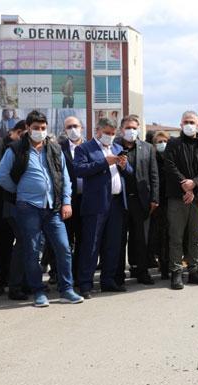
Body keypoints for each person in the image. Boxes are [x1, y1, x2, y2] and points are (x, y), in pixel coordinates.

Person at [0, 110, 83, 307]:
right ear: (28, 128)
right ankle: (38, 291)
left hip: (53, 208)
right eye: (36, 128)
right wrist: (19, 192)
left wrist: (66, 202)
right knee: (32, 251)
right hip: (28, 208)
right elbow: (1, 176)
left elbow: (65, 178)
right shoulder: (15, 149)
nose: (40, 132)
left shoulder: (54, 149)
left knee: (63, 248)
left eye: (43, 128)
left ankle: (66, 289)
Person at [73, 117, 132, 298]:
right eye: (107, 133)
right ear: (97, 131)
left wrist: (124, 165)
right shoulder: (84, 148)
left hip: (116, 203)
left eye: (113, 134)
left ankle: (108, 281)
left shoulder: (116, 148)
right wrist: (105, 162)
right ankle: (85, 284)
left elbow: (129, 172)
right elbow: (80, 170)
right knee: (91, 245)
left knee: (112, 244)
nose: (110, 136)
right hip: (96, 203)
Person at [164, 111, 198, 289]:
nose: (189, 124)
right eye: (186, 121)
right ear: (180, 124)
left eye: (192, 122)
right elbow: (169, 165)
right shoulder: (173, 143)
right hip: (178, 197)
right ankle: (176, 272)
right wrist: (184, 184)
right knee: (176, 236)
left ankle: (193, 271)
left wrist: (193, 184)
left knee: (196, 237)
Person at [0, 120, 28, 300]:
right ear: (17, 132)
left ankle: (19, 280)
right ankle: (1, 282)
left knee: (23, 243)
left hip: (21, 204)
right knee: (2, 245)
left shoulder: (27, 148)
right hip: (0, 205)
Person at [116, 115, 159, 285]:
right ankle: (118, 274)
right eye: (128, 127)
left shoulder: (148, 148)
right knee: (119, 239)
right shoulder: (114, 145)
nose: (131, 131)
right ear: (121, 129)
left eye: (134, 127)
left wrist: (154, 198)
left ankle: (141, 271)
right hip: (119, 200)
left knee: (140, 239)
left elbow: (154, 174)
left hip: (141, 200)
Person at [56, 116, 86, 280]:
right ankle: (63, 275)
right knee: (65, 241)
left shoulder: (90, 147)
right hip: (66, 201)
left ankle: (80, 275)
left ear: (81, 127)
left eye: (75, 126)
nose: (72, 129)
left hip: (86, 200)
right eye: (69, 127)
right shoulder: (58, 148)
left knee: (83, 239)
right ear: (64, 130)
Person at [148, 131, 170, 281]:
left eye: (164, 141)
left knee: (169, 235)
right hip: (157, 202)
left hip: (171, 200)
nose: (162, 144)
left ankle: (167, 265)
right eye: (159, 141)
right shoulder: (152, 158)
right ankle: (161, 264)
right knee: (158, 235)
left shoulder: (171, 158)